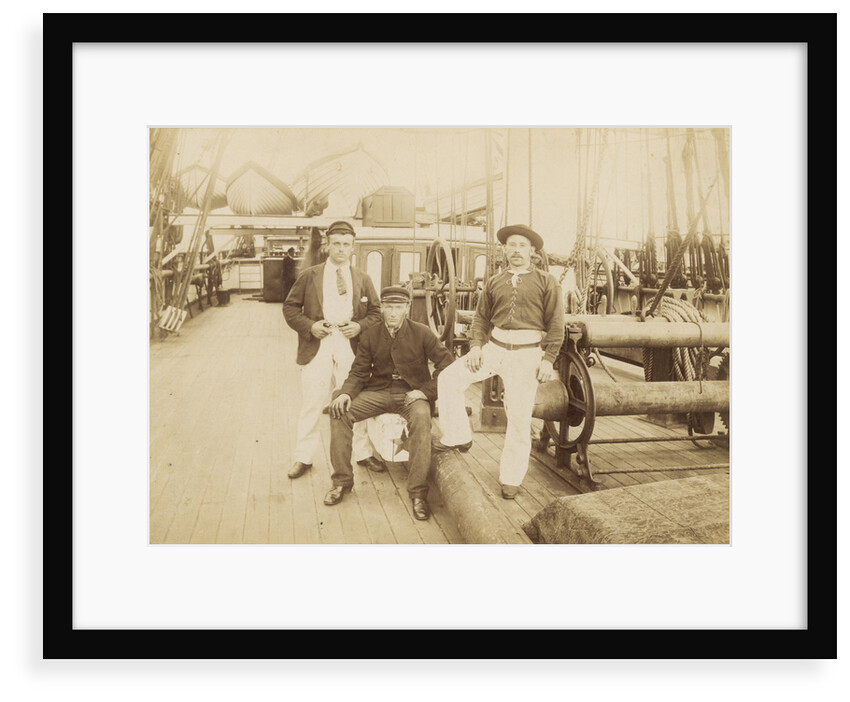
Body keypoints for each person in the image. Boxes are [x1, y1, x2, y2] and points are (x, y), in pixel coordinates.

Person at [434, 224, 565, 500]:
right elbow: (481, 319)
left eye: (522, 246)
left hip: (527, 354)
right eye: (511, 245)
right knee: (448, 379)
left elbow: (556, 325)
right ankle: (459, 435)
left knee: (518, 417)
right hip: (494, 348)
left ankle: (511, 477)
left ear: (532, 251)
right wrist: (475, 347)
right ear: (505, 250)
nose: (516, 250)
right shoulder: (494, 282)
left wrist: (548, 359)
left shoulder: (547, 282)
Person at [326, 286, 455, 520]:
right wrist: (345, 393)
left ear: (407, 308)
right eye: (389, 307)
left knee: (421, 419)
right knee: (340, 411)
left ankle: (417, 492)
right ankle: (342, 481)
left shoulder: (423, 333)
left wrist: (425, 392)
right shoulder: (370, 335)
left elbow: (447, 365)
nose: (393, 313)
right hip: (379, 392)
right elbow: (358, 372)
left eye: (398, 307)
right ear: (382, 308)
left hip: (411, 394)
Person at [282, 220, 384, 480]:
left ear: (353, 248)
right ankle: (303, 457)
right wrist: (310, 326)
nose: (340, 249)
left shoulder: (362, 278)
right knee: (312, 402)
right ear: (327, 246)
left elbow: (375, 312)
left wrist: (359, 327)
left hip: (350, 345)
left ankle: (363, 453)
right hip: (319, 344)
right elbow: (290, 308)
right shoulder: (310, 275)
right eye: (336, 243)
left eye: (346, 244)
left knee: (355, 402)